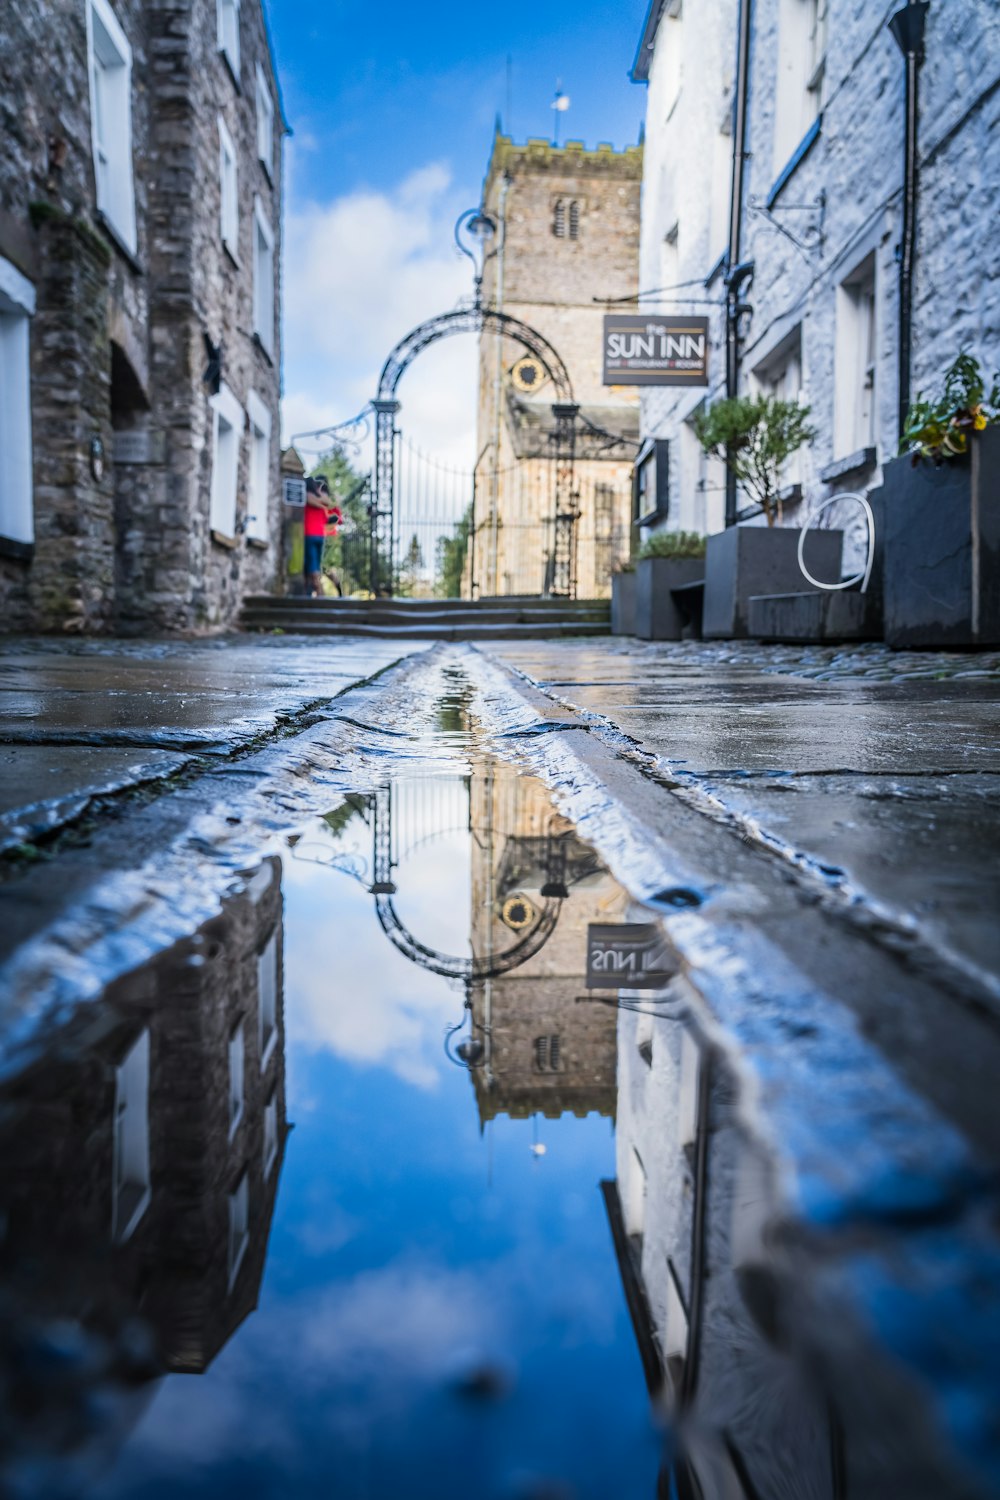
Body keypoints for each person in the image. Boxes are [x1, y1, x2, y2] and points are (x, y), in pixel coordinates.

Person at [302, 476, 342, 598]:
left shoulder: (308, 497)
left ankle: (320, 594)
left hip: (310, 534)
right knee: (316, 566)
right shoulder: (323, 501)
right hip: (321, 535)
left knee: (314, 566)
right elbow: (335, 517)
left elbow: (335, 517)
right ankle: (315, 592)